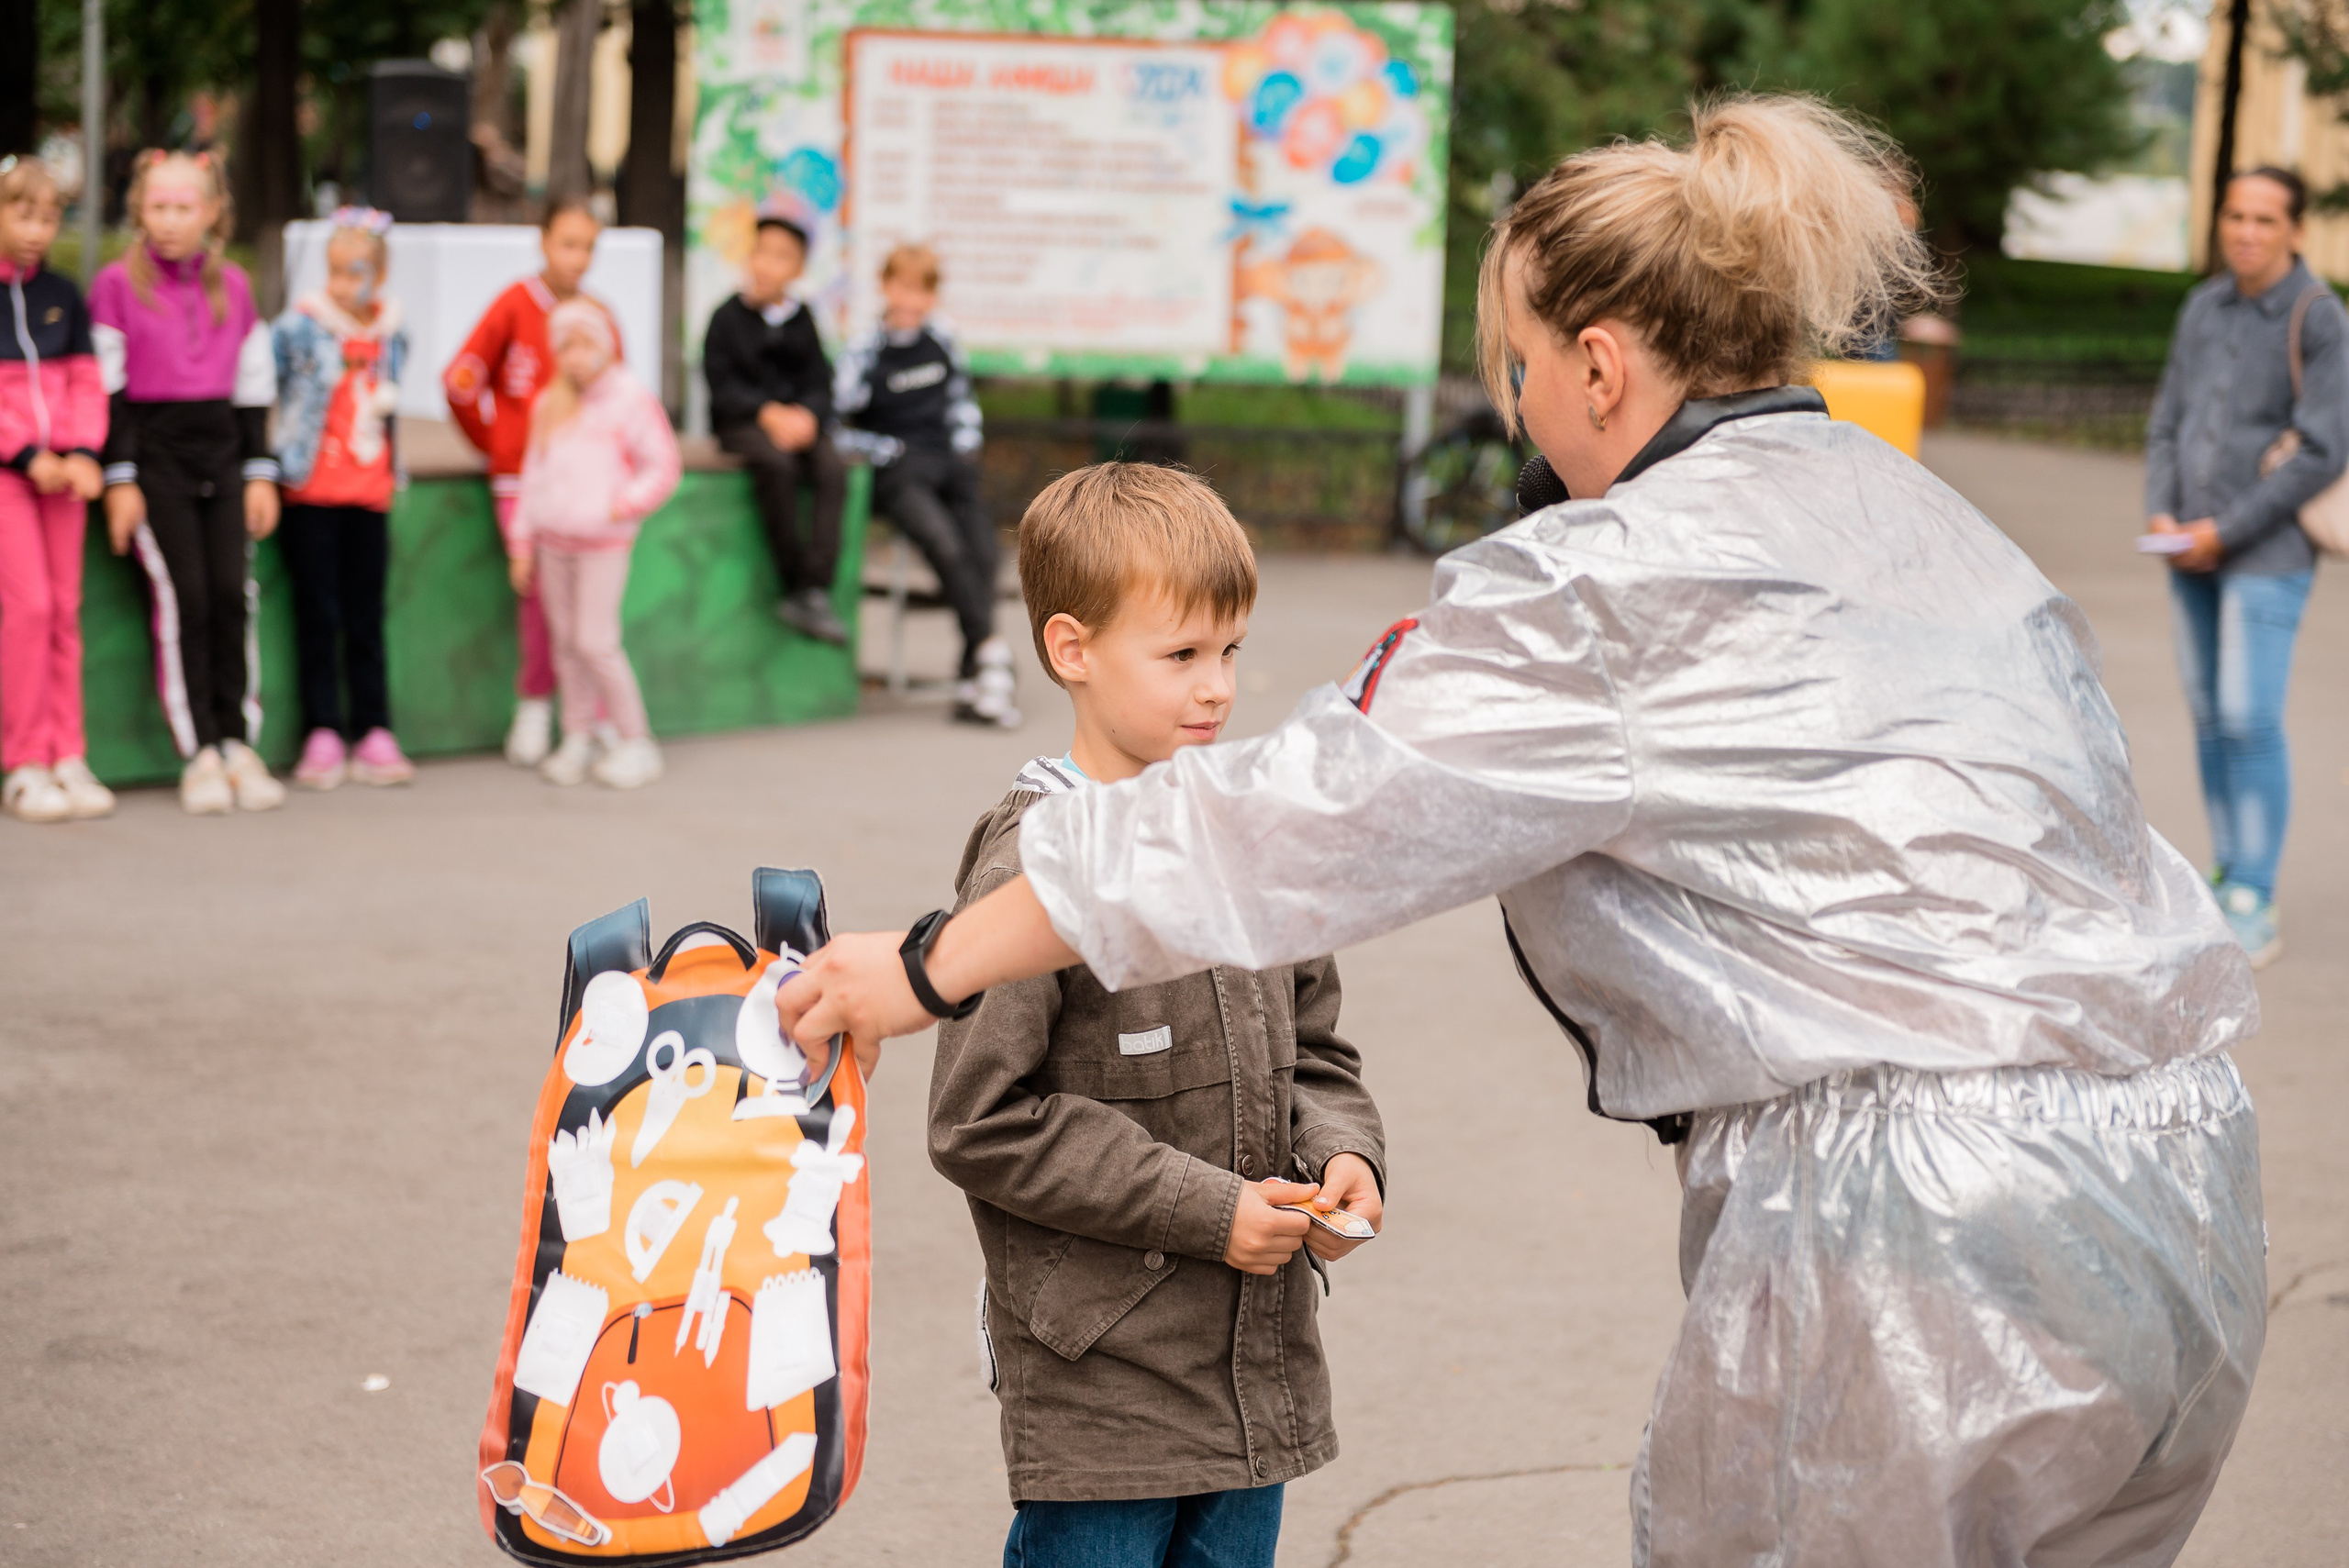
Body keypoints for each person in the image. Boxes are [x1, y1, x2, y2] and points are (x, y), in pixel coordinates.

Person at [780, 97, 2266, 1568]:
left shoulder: (1610, 579)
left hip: (1921, 1226)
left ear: (1600, 368)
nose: (1516, 408)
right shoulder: (1919, 516)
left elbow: (1284, 820)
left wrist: (924, 967)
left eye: (1521, 366)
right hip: (2182, 1191)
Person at [930, 462, 1385, 1568]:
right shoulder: (1034, 863)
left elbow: (1315, 1047)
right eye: (1180, 655)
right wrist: (1209, 1207)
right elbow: (979, 1119)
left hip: (1256, 1362)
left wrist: (1341, 1152)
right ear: (1072, 649)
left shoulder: (1253, 839)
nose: (1217, 687)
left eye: (1229, 650)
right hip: (1102, 1378)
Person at [2144, 164, 2341, 969]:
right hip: (2185, 546)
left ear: (2295, 229)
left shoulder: (2318, 316)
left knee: (2249, 717)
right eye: (2235, 216)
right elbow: (2168, 419)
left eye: (2265, 219)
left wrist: (2224, 531)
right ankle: (2226, 872)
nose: (2247, 233)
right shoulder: (2203, 306)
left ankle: (2255, 892)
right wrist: (2162, 511)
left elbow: (2323, 450)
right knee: (2209, 715)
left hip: (2266, 554)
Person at [92, 149, 287, 816]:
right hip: (156, 464)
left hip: (223, 461)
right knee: (188, 600)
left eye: (184, 207)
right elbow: (108, 388)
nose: (171, 220)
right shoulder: (115, 286)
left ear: (211, 212)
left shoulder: (234, 285)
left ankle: (237, 742)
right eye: (158, 207)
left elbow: (254, 383)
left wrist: (259, 470)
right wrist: (121, 476)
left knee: (233, 594)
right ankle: (199, 749)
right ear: (139, 211)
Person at [443, 201, 622, 769]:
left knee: (585, 600)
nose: (578, 258)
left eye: (588, 247)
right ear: (542, 242)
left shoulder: (598, 315)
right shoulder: (514, 304)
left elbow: (618, 397)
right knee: (540, 592)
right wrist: (497, 443)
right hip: (522, 482)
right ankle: (536, 703)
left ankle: (593, 715)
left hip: (584, 486)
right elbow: (461, 381)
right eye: (568, 243)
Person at [835, 243, 1019, 728]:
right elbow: (836, 423)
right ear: (886, 287)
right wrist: (885, 450)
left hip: (949, 463)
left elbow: (962, 401)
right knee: (944, 545)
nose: (911, 300)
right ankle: (992, 656)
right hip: (898, 470)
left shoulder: (943, 338)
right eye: (903, 288)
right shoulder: (865, 348)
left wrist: (966, 449)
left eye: (922, 290)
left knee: (984, 553)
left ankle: (974, 673)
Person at [506, 300, 679, 790]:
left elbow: (663, 465)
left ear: (605, 345)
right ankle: (577, 737)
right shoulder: (549, 404)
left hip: (603, 544)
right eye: (566, 346)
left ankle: (636, 740)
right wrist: (522, 542)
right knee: (565, 645)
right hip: (553, 543)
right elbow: (533, 477)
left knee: (596, 642)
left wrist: (623, 505)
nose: (576, 356)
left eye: (585, 344)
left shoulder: (631, 398)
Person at [273, 207, 415, 791]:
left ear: (379, 275)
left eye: (355, 271)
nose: (342, 283)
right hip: (313, 494)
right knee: (317, 615)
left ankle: (374, 729)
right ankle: (323, 729)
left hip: (370, 494)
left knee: (365, 618)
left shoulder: (392, 333)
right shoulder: (301, 327)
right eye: (334, 270)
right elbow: (276, 384)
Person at [0, 155, 113, 823]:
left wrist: (84, 453)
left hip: (63, 476)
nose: (37, 230)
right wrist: (25, 453)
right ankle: (24, 763)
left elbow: (86, 383)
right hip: (11, 477)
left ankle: (68, 752)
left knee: (64, 610)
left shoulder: (65, 295)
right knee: (30, 609)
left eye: (48, 218)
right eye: (22, 214)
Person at [705, 216, 850, 646]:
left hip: (797, 423)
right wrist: (766, 413)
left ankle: (816, 587)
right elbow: (722, 385)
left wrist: (808, 416)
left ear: (799, 269)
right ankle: (793, 582)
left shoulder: (803, 319)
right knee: (777, 466)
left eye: (782, 257)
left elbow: (820, 382)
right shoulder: (726, 318)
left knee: (832, 469)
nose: (768, 264)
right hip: (744, 424)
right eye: (762, 252)